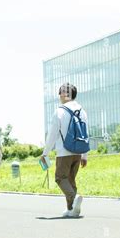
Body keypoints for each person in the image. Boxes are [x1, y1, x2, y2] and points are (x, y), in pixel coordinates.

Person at [41, 83, 89, 218]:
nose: (60, 95)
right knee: (70, 179)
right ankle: (71, 210)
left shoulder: (60, 111)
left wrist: (45, 153)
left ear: (65, 95)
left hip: (64, 152)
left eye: (61, 92)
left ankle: (74, 198)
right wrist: (85, 155)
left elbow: (52, 135)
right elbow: (86, 133)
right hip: (78, 152)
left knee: (60, 178)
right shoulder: (82, 111)